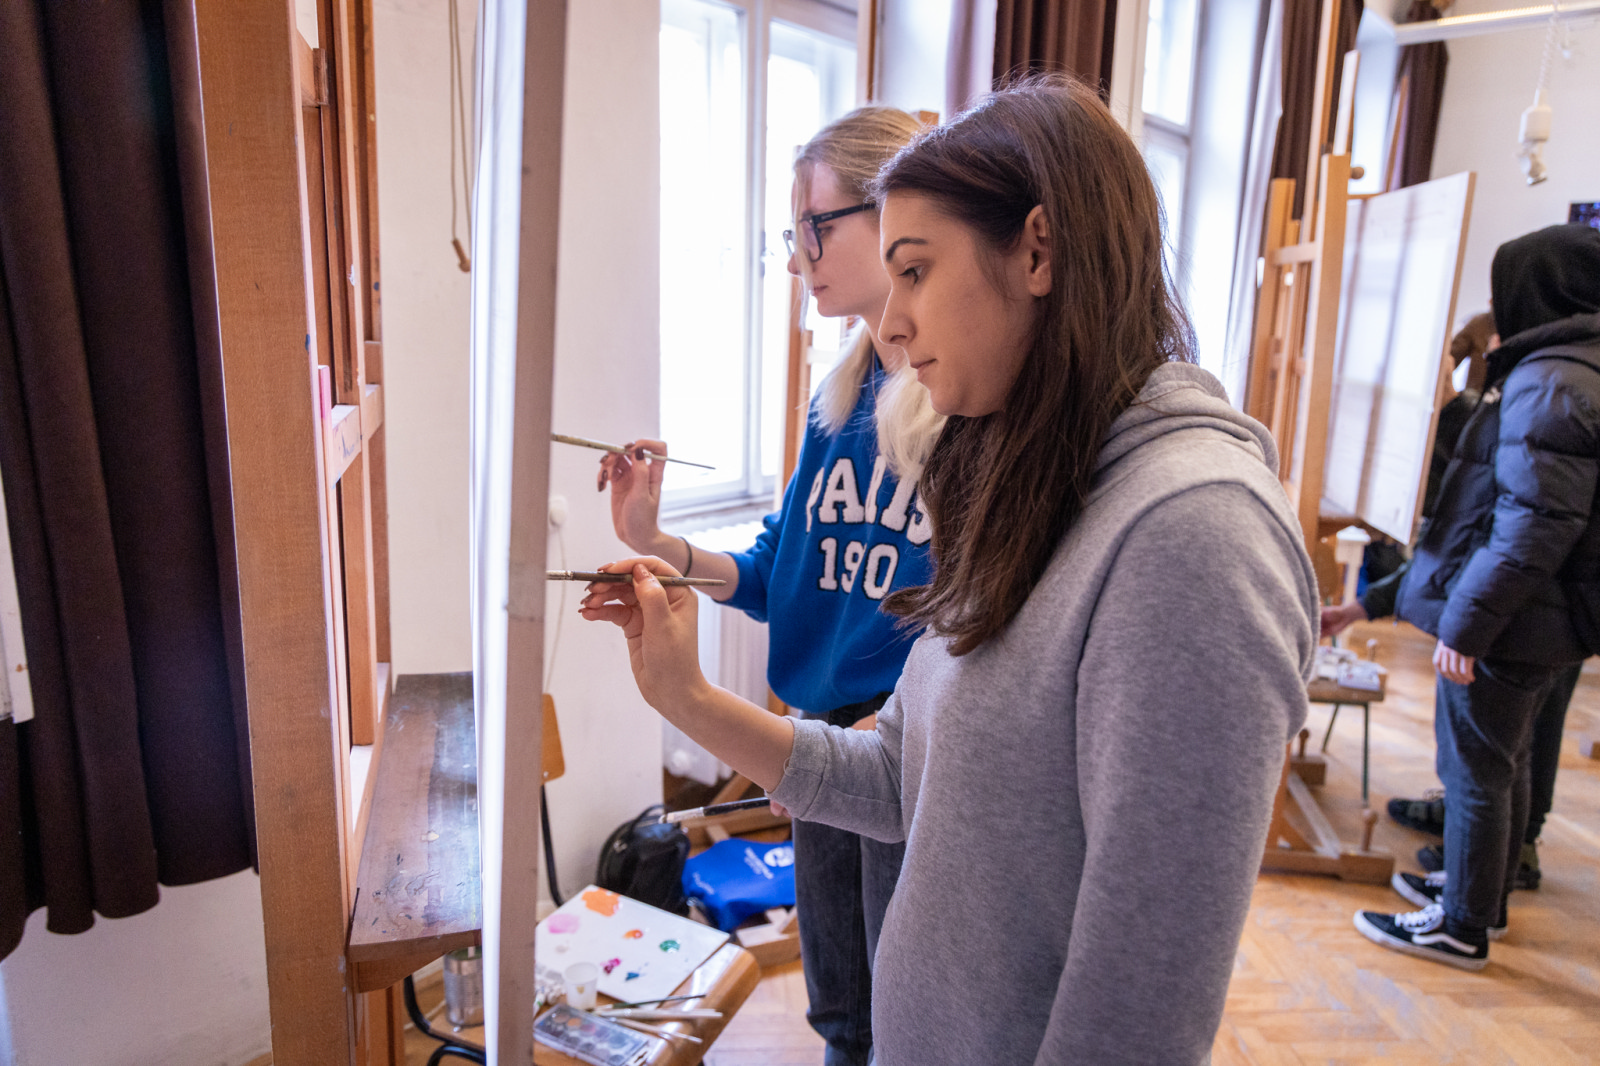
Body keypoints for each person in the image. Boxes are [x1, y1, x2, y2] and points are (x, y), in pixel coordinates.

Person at [582, 77, 1317, 1064]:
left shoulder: (1193, 538)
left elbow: (1137, 1012)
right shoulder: (1024, 481)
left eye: (916, 272)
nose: (890, 326)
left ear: (1038, 251)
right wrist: (685, 694)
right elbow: (898, 778)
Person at [595, 106, 941, 1066]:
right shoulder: (840, 400)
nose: (798, 259)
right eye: (792, 235)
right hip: (826, 739)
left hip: (905, 748)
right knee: (841, 1013)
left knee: (902, 1020)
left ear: (895, 215)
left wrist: (884, 724)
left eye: (814, 228)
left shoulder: (959, 397)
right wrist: (656, 542)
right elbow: (776, 575)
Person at [1355, 222, 1600, 969]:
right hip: (1541, 618)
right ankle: (1479, 899)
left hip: (1515, 620)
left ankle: (1459, 924)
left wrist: (1465, 626)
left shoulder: (1550, 380)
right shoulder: (1571, 370)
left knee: (1476, 769)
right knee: (1506, 761)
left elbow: (1530, 528)